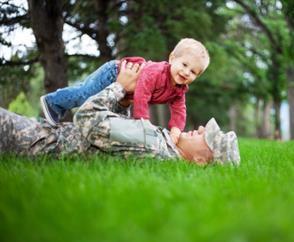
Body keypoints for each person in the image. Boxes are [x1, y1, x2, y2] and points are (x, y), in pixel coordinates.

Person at [0, 62, 240, 166]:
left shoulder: (153, 142)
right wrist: (125, 101)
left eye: (205, 135)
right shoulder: (161, 146)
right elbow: (111, 132)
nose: (199, 129)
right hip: (42, 135)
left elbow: (85, 119)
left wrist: (120, 87)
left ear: (199, 162)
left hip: (34, 140)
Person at [40, 38, 210, 144]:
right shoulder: (157, 72)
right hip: (115, 73)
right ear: (172, 58)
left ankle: (62, 115)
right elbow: (142, 93)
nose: (186, 72)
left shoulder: (179, 91)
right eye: (184, 65)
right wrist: (142, 120)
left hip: (125, 90)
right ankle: (53, 102)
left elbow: (180, 111)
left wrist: (176, 129)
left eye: (193, 72)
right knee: (85, 94)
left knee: (110, 114)